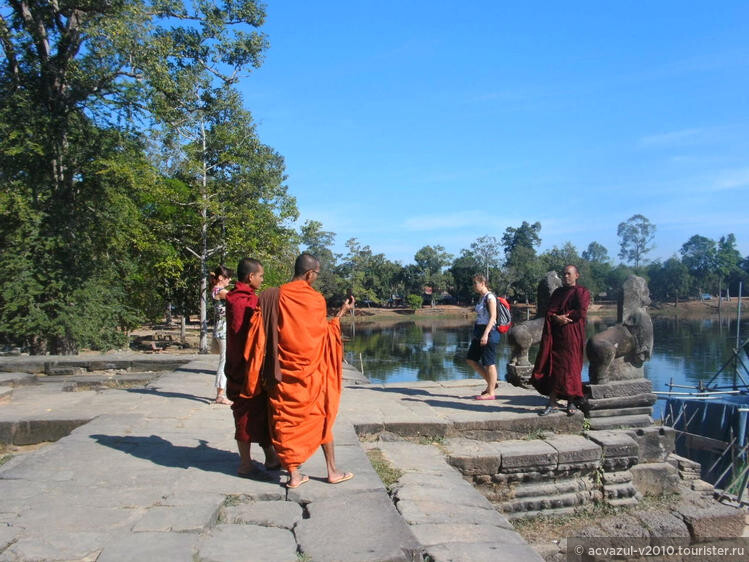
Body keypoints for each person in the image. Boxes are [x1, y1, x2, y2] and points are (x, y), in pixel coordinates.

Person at [245, 253, 355, 489]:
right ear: (309, 273)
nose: (315, 278)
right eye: (316, 274)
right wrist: (340, 315)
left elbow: (259, 333)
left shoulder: (272, 296)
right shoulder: (316, 301)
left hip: (281, 374)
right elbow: (322, 335)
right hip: (311, 375)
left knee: (284, 420)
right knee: (322, 416)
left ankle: (294, 475)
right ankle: (332, 471)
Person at [224, 258, 280, 477]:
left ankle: (270, 456)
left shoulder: (238, 298)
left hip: (248, 365)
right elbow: (246, 334)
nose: (262, 279)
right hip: (244, 367)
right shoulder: (242, 301)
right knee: (245, 415)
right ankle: (245, 463)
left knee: (262, 412)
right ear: (251, 277)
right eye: (261, 276)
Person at [531, 265, 590, 416]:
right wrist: (557, 317)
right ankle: (552, 402)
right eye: (564, 274)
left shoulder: (581, 292)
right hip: (556, 336)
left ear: (577, 275)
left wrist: (566, 317)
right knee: (554, 367)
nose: (565, 277)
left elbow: (581, 312)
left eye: (569, 274)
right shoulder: (558, 293)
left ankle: (571, 401)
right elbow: (550, 311)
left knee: (571, 368)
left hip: (572, 335)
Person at [466, 274, 500, 400]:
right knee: (471, 359)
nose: (474, 286)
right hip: (479, 331)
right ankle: (492, 383)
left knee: (489, 363)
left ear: (483, 283)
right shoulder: (481, 298)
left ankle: (491, 393)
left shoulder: (490, 297)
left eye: (475, 283)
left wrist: (485, 334)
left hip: (489, 332)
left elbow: (493, 317)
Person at [210, 265, 233, 405]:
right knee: (224, 362)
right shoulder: (220, 291)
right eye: (227, 277)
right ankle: (220, 394)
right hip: (223, 330)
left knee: (225, 361)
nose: (229, 280)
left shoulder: (216, 290)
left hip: (221, 329)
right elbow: (235, 298)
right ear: (220, 278)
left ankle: (222, 392)